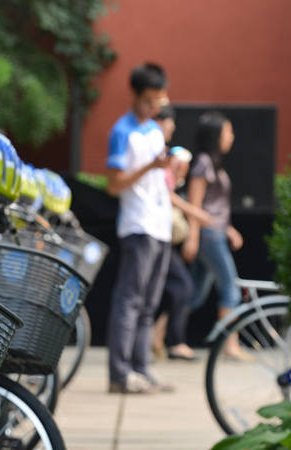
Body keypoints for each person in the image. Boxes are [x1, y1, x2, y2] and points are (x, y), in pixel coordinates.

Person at [105, 63, 175, 394]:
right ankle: (119, 374)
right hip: (138, 224)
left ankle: (141, 368)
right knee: (130, 300)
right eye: (149, 101)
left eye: (158, 101)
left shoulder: (155, 131)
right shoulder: (123, 131)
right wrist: (150, 166)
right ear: (136, 96)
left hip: (160, 226)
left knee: (148, 304)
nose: (154, 108)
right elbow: (113, 184)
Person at [183, 111, 248, 359]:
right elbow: (196, 202)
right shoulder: (203, 162)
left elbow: (215, 204)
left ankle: (158, 334)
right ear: (215, 135)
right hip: (207, 234)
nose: (231, 137)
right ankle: (229, 344)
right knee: (230, 286)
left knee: (195, 294)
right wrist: (193, 237)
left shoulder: (213, 162)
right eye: (227, 131)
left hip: (215, 231)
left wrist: (229, 228)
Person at [151, 104, 212, 360]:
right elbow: (166, 197)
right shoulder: (159, 161)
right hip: (152, 234)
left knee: (175, 289)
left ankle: (158, 336)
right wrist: (196, 213)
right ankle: (170, 340)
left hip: (161, 236)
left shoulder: (165, 165)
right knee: (180, 287)